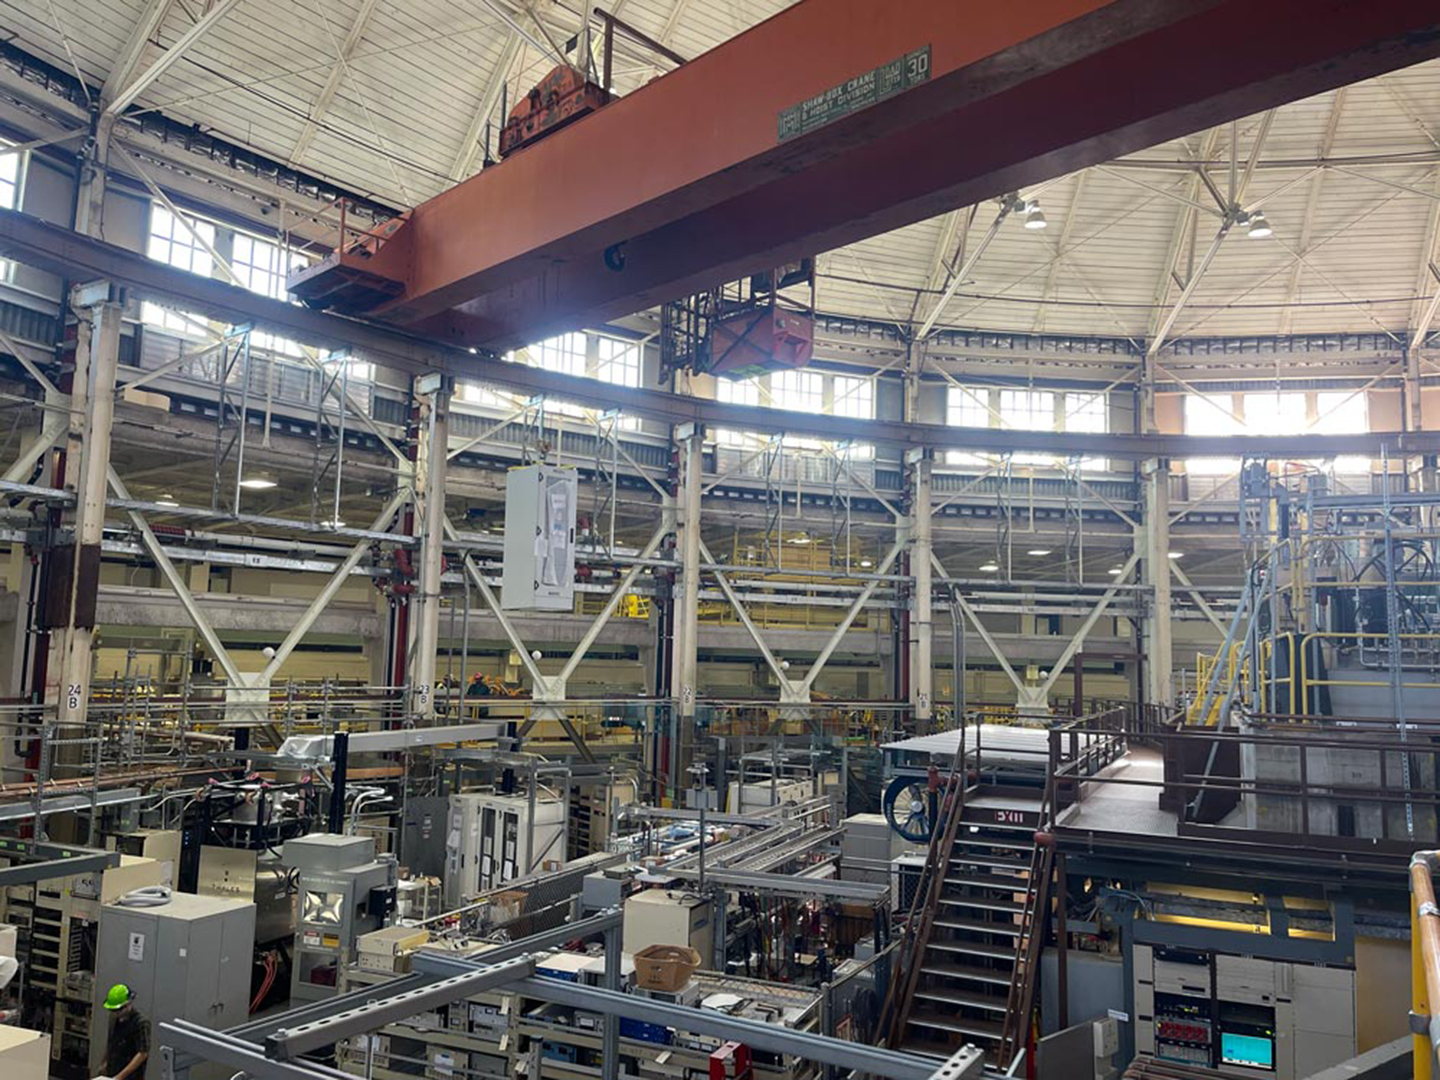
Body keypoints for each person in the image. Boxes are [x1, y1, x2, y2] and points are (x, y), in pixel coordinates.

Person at [96, 983, 149, 1080]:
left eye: (118, 1010)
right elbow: (111, 1042)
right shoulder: (114, 1018)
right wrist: (104, 1063)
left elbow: (142, 1054)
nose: (115, 1013)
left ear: (128, 1004)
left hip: (131, 1076)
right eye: (112, 1010)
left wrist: (118, 1078)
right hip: (112, 1070)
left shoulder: (140, 1023)